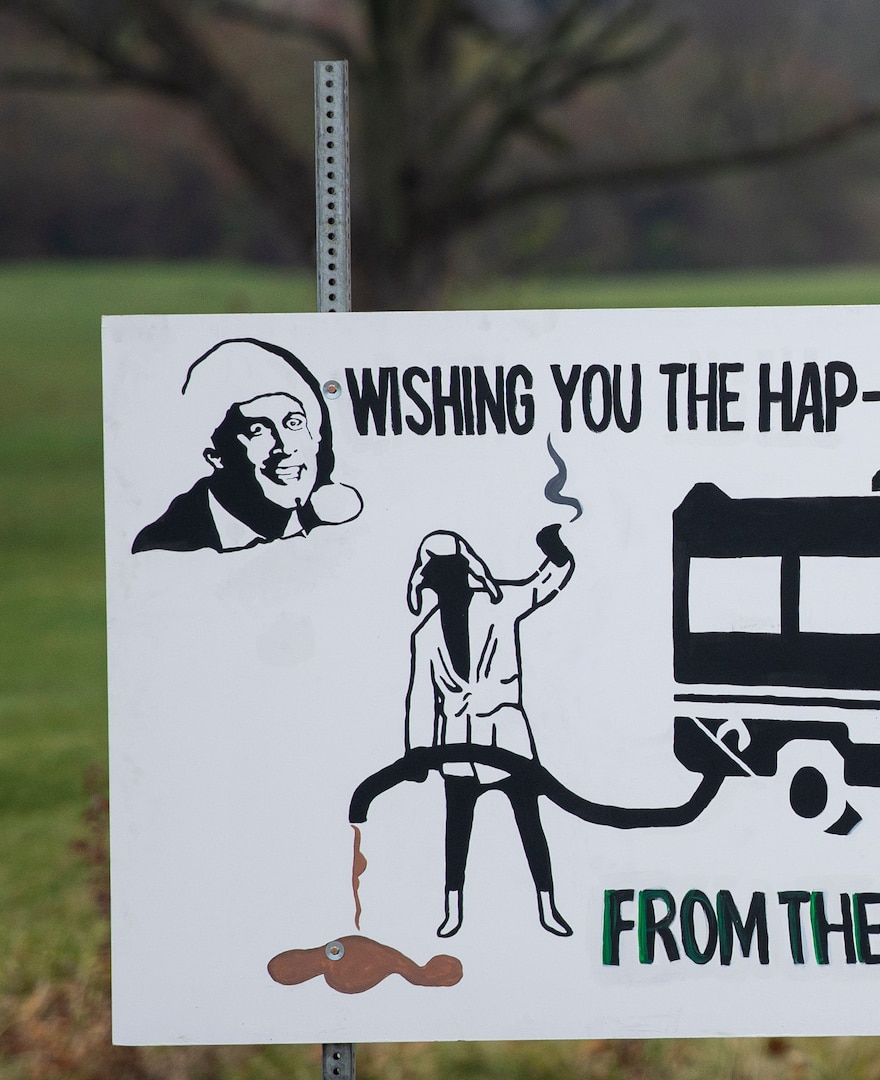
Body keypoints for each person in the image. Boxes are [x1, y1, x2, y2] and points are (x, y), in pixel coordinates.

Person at [405, 524, 575, 937]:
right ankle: (452, 909)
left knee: (529, 823)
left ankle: (547, 905)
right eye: (437, 576)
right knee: (456, 830)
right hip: (457, 747)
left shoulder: (501, 605)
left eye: (453, 572)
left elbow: (546, 582)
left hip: (508, 739)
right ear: (427, 582)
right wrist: (417, 754)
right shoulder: (425, 634)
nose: (446, 582)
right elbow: (420, 697)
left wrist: (555, 547)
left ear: (469, 571)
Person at [133, 338, 363, 554]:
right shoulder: (167, 545)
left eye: (293, 423)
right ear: (215, 456)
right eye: (258, 431)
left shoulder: (331, 529)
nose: (285, 447)